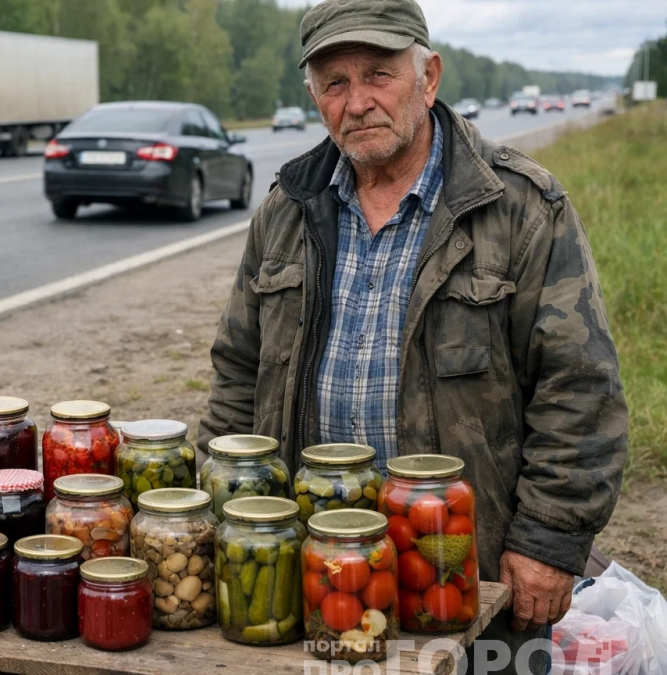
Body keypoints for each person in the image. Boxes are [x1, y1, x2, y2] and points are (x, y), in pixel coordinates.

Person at [197, 0, 628, 671]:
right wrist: (217, 517)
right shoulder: (286, 210)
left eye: (379, 74)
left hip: (464, 571)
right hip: (315, 573)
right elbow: (236, 375)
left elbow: (581, 389)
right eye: (334, 83)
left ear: (428, 76)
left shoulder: (519, 207)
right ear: (314, 98)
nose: (358, 101)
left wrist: (548, 540)